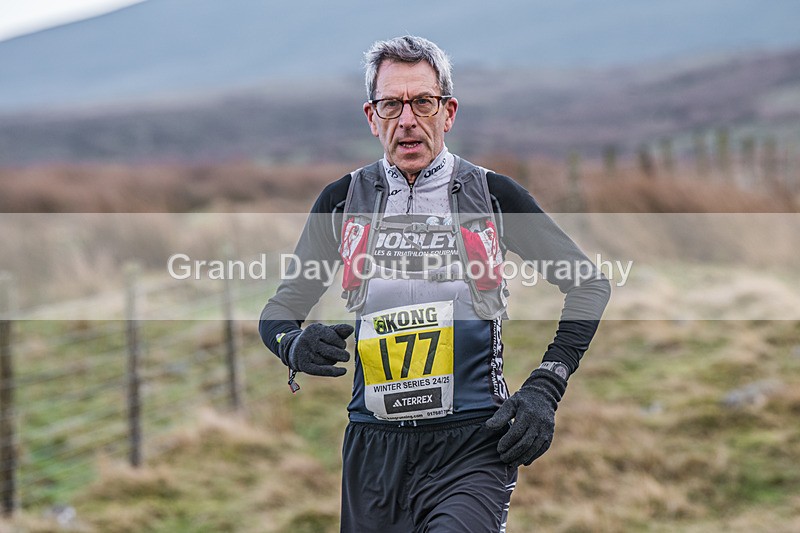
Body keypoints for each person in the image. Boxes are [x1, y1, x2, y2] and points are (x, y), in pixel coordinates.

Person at [260, 35, 610, 533]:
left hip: (471, 446)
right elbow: (280, 309)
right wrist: (292, 343)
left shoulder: (491, 195)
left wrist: (546, 387)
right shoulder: (343, 201)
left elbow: (588, 284)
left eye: (422, 102)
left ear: (447, 112)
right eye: (391, 104)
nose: (407, 120)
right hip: (373, 450)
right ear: (371, 116)